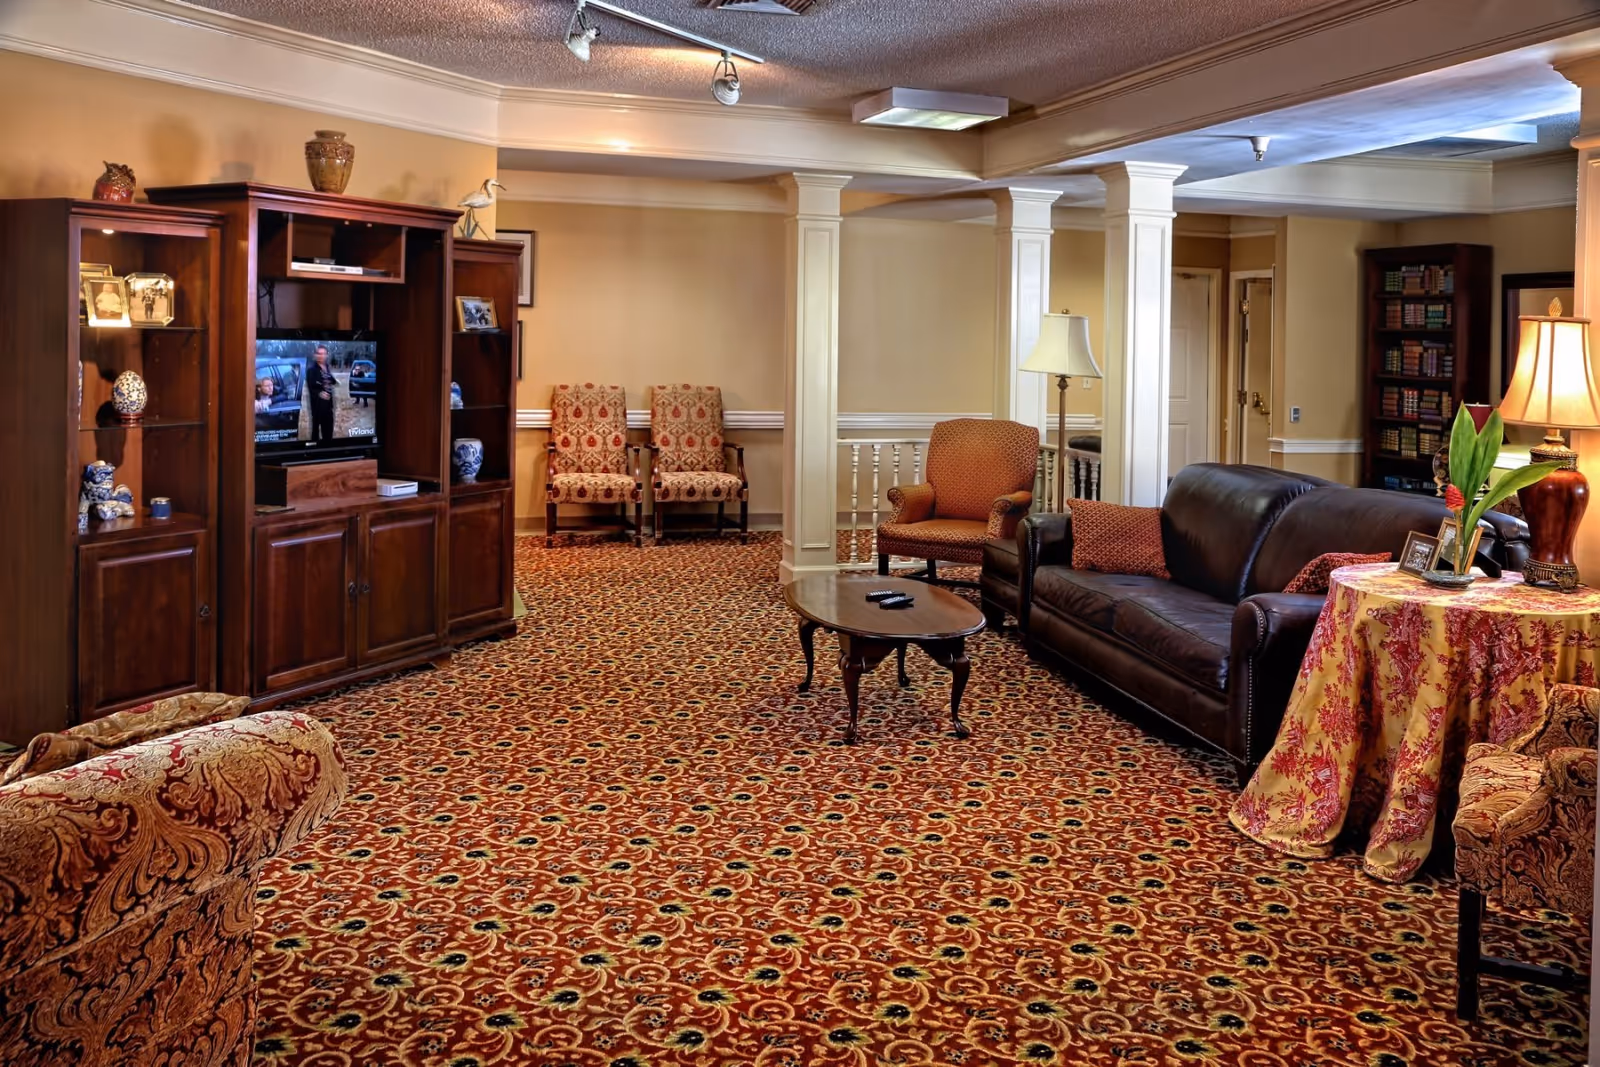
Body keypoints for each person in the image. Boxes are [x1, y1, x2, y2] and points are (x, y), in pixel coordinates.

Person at [306, 344, 337, 443]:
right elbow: (311, 387)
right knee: (316, 432)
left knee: (328, 431)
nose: (321, 356)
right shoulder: (311, 370)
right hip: (318, 405)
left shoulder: (327, 368)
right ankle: (314, 451)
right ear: (315, 355)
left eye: (323, 354)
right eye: (319, 353)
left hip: (328, 405)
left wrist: (334, 381)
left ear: (327, 355)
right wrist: (319, 393)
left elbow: (330, 380)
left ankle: (327, 448)